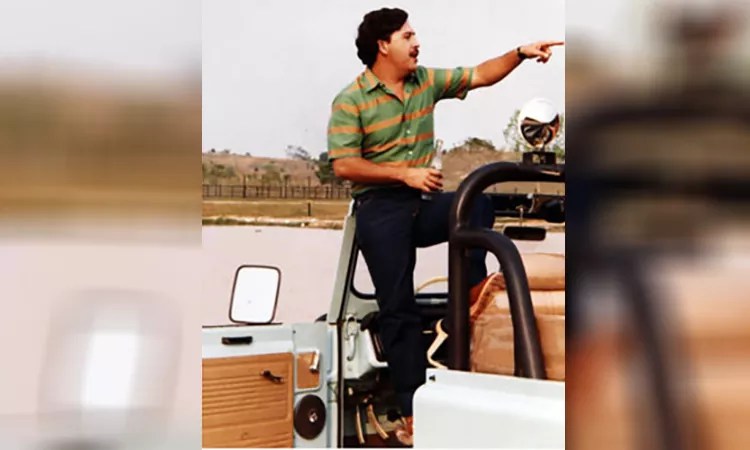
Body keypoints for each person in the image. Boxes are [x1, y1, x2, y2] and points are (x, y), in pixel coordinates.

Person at [326, 7, 563, 445]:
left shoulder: (426, 82)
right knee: (397, 306)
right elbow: (344, 165)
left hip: (421, 202)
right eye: (408, 36)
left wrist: (520, 53)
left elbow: (480, 75)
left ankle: (465, 304)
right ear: (383, 45)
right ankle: (414, 412)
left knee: (475, 205)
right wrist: (405, 174)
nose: (417, 43)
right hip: (379, 207)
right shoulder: (351, 100)